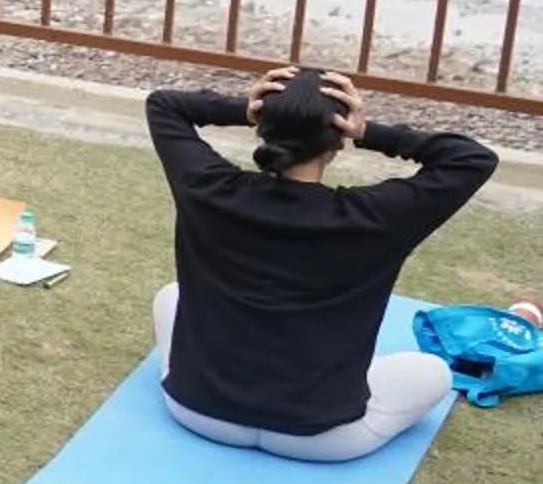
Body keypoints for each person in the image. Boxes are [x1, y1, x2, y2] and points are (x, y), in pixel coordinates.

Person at [146, 67, 494, 462]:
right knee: (433, 372)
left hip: (196, 411)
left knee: (171, 296)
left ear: (262, 127)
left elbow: (164, 105)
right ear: (337, 143)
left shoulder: (207, 189)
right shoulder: (375, 217)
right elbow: (472, 159)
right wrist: (369, 132)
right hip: (324, 437)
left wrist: (245, 107)